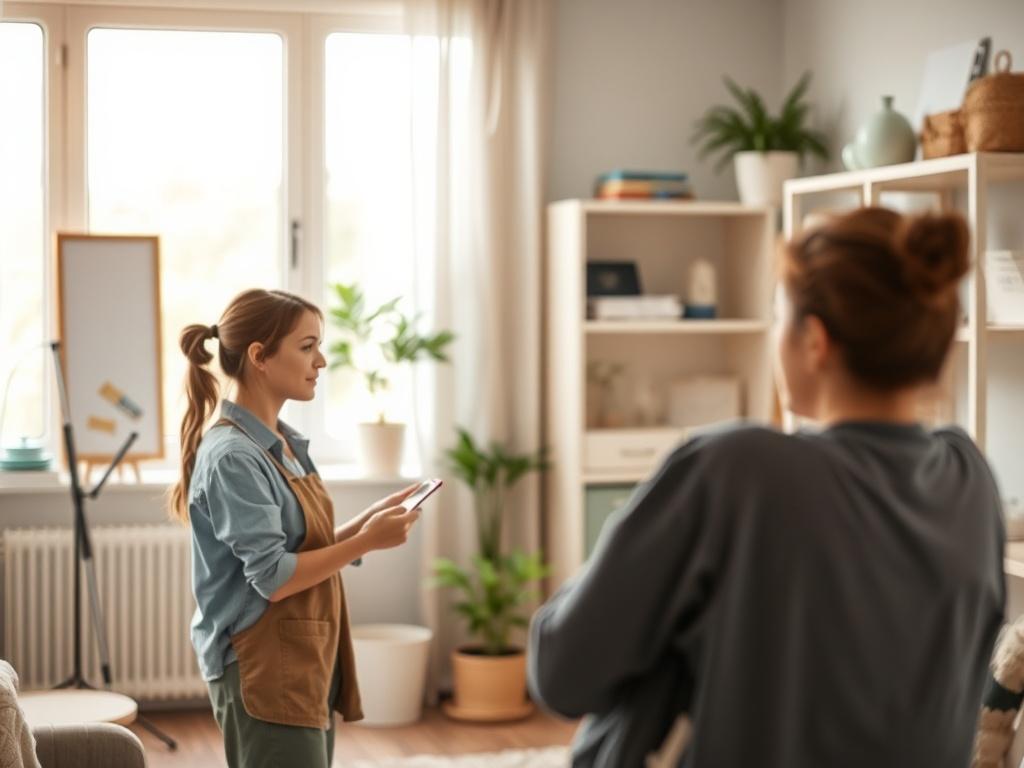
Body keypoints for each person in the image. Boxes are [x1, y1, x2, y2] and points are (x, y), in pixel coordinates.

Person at [528, 208, 1005, 767]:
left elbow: (562, 674)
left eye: (778, 315)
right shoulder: (971, 480)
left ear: (815, 341)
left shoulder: (735, 470)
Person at [168, 288, 421, 768]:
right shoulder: (235, 457)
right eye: (307, 347)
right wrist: (368, 540)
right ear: (259, 356)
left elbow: (298, 548)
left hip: (299, 656)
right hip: (261, 667)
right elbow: (275, 577)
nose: (321, 361)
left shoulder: (281, 443)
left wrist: (368, 524)